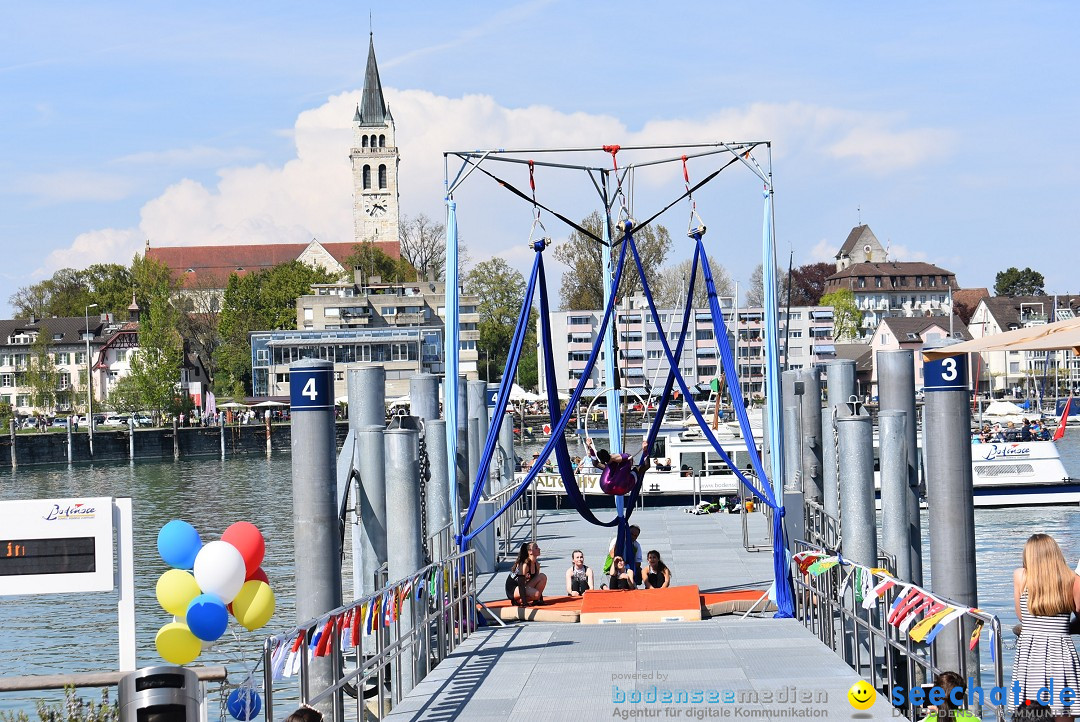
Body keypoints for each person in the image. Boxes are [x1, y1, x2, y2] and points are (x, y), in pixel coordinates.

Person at [1012, 533, 1080, 720]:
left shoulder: (1020, 576)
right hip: (1061, 653)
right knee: (1064, 709)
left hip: (1031, 652)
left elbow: (1021, 616)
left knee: (1030, 713)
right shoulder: (1072, 579)